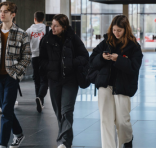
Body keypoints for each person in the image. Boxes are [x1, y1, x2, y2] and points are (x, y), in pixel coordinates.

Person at [89, 15, 143, 148]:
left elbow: (134, 67)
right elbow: (92, 60)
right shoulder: (105, 42)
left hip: (123, 87)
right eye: (114, 30)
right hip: (105, 85)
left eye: (119, 30)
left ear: (126, 29)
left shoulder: (134, 46)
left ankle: (127, 139)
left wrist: (118, 59)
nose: (116, 33)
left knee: (122, 122)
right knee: (106, 121)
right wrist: (102, 57)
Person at [0, 1, 31, 148]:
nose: (2, 14)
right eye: (1, 11)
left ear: (13, 14)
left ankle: (2, 144)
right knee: (6, 109)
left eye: (5, 11)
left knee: (6, 111)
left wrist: (17, 73)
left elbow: (27, 56)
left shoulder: (21, 34)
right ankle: (18, 133)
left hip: (12, 76)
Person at [39, 14, 89, 148]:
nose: (52, 28)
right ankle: (66, 140)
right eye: (51, 25)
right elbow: (41, 61)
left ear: (64, 27)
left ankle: (63, 142)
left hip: (70, 80)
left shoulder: (73, 39)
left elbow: (85, 56)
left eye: (56, 26)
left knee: (66, 111)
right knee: (58, 112)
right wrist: (51, 67)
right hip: (54, 80)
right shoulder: (46, 40)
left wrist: (72, 63)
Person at [26, 11, 49, 113]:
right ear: (43, 19)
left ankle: (39, 99)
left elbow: (25, 42)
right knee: (45, 80)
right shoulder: (47, 29)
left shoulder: (29, 30)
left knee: (37, 79)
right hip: (45, 57)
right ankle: (40, 98)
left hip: (34, 57)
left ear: (34, 19)